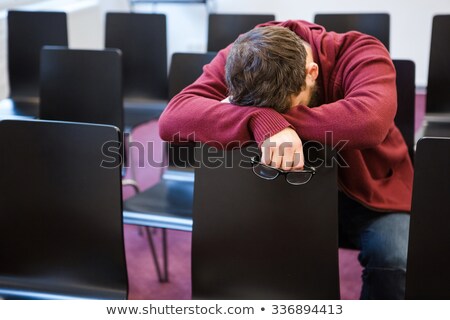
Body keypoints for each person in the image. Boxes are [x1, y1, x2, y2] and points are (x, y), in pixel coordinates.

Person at [159, 20, 413, 299]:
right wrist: (260, 118)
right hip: (284, 192)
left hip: (370, 193)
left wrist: (263, 121)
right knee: (240, 253)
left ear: (312, 72)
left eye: (288, 107)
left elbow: (369, 122)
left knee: (395, 261)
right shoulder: (244, 54)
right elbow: (172, 119)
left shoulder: (361, 50)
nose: (277, 118)